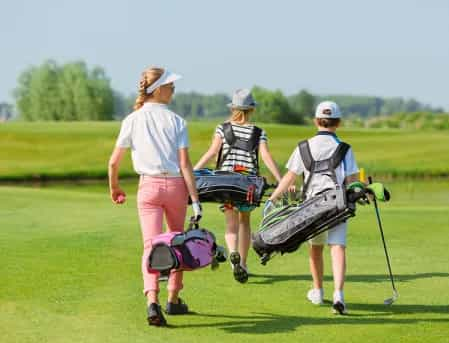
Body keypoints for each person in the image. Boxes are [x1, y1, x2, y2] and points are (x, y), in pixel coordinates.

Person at [108, 67, 202, 326]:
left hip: (147, 188)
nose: (173, 90)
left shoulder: (132, 119)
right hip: (175, 187)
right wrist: (195, 200)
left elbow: (114, 163)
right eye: (170, 86)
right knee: (177, 243)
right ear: (158, 89)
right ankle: (173, 300)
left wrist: (114, 187)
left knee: (151, 246)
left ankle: (152, 302)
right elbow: (185, 165)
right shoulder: (177, 121)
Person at [265, 101, 359, 314]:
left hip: (312, 206)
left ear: (316, 121)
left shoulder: (303, 147)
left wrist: (273, 199)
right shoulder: (345, 148)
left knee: (315, 248)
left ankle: (317, 291)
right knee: (337, 247)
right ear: (339, 123)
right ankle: (339, 294)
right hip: (338, 204)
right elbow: (353, 181)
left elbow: (289, 178)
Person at [194, 89, 285, 283]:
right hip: (248, 186)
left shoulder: (222, 128)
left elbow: (212, 152)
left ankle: (233, 255)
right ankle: (243, 263)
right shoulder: (259, 132)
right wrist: (281, 179)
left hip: (225, 184)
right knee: (245, 221)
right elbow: (266, 157)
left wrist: (193, 172)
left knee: (230, 223)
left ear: (233, 108)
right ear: (251, 109)